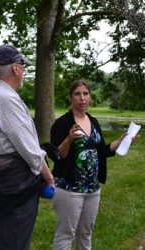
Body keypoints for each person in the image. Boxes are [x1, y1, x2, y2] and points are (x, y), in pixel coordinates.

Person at [0, 44, 54, 249]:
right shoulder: (6, 99)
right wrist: (49, 178)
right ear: (16, 69)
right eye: (23, 67)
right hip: (16, 190)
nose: (24, 72)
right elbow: (31, 151)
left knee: (4, 238)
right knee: (13, 242)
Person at [50, 80, 128, 250]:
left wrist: (120, 142)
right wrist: (69, 139)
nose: (82, 98)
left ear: (90, 97)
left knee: (85, 233)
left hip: (92, 189)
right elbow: (58, 155)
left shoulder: (93, 121)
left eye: (85, 94)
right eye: (77, 94)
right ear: (71, 97)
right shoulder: (62, 123)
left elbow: (101, 152)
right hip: (69, 188)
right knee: (65, 234)